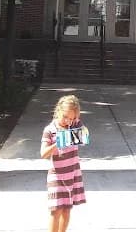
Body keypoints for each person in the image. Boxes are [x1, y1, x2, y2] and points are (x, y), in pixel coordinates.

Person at [40, 95, 87, 232]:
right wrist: (57, 143)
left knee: (66, 210)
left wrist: (73, 133)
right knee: (55, 211)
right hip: (56, 175)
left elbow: (85, 137)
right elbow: (43, 153)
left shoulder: (75, 124)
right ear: (59, 111)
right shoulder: (49, 130)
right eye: (66, 117)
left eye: (72, 118)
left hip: (72, 173)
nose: (69, 121)